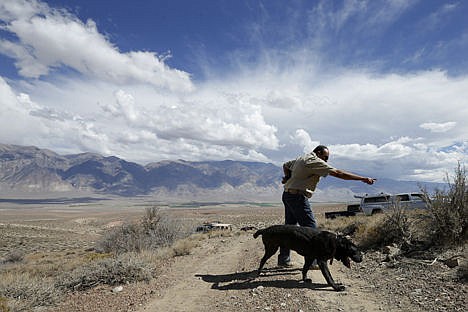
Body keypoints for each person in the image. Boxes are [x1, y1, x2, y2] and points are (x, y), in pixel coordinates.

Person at [278, 145, 376, 267]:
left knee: (289, 228)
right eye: (325, 157)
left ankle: (283, 259)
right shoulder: (314, 161)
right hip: (297, 197)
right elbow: (338, 173)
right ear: (318, 153)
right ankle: (313, 262)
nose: (325, 161)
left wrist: (288, 177)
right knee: (311, 230)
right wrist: (363, 178)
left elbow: (286, 165)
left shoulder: (301, 158)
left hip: (288, 195)